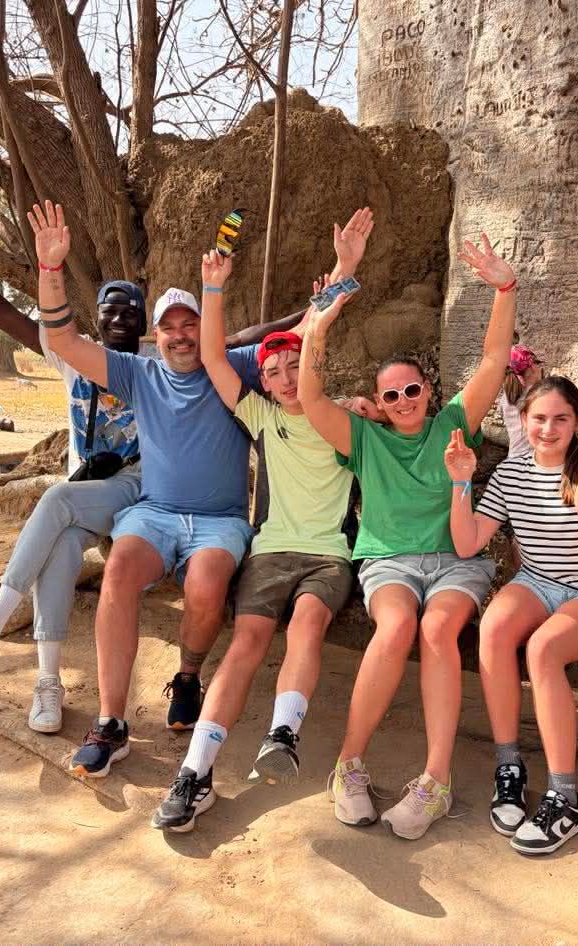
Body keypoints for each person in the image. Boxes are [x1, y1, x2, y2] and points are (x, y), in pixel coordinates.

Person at [29, 201, 373, 778]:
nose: (181, 335)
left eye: (190, 324)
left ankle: (188, 676)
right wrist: (50, 268)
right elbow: (63, 342)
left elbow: (306, 331)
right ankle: (111, 722)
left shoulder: (233, 367)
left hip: (220, 520)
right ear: (155, 335)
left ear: (203, 328)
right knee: (119, 570)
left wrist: (344, 268)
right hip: (155, 512)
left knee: (208, 583)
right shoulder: (136, 372)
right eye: (169, 327)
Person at [0, 213, 297, 734]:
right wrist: (47, 267)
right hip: (109, 495)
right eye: (110, 312)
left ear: (146, 328)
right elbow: (42, 329)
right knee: (69, 546)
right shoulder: (113, 366)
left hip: (147, 492)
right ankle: (52, 684)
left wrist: (326, 296)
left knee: (68, 510)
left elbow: (258, 338)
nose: (121, 321)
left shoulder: (193, 362)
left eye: (132, 314)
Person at [151, 220, 371, 831]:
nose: (285, 377)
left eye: (295, 366)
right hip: (270, 552)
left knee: (306, 624)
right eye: (273, 371)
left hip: (327, 556)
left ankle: (283, 735)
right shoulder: (260, 416)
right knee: (246, 641)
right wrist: (212, 289)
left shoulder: (339, 421)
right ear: (264, 383)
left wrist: (345, 269)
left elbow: (318, 331)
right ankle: (194, 773)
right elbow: (214, 359)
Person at [299, 232, 517, 840]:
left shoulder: (453, 423)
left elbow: (494, 362)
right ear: (378, 400)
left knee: (438, 630)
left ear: (428, 392)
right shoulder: (364, 439)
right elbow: (311, 397)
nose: (402, 401)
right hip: (389, 561)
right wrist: (320, 321)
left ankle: (435, 782)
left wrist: (505, 289)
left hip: (456, 561)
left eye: (412, 390)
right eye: (390, 394)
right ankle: (348, 766)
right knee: (396, 626)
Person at [446, 376, 578, 855]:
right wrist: (461, 483)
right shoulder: (511, 473)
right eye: (539, 418)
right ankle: (509, 767)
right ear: (523, 420)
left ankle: (565, 797)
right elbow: (467, 543)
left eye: (560, 419)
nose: (548, 429)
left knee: (543, 649)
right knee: (493, 628)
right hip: (537, 582)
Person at [496, 343, 578, 459]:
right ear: (532, 366)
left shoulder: (505, 398)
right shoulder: (541, 394)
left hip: (514, 458)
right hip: (534, 460)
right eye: (537, 363)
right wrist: (562, 381)